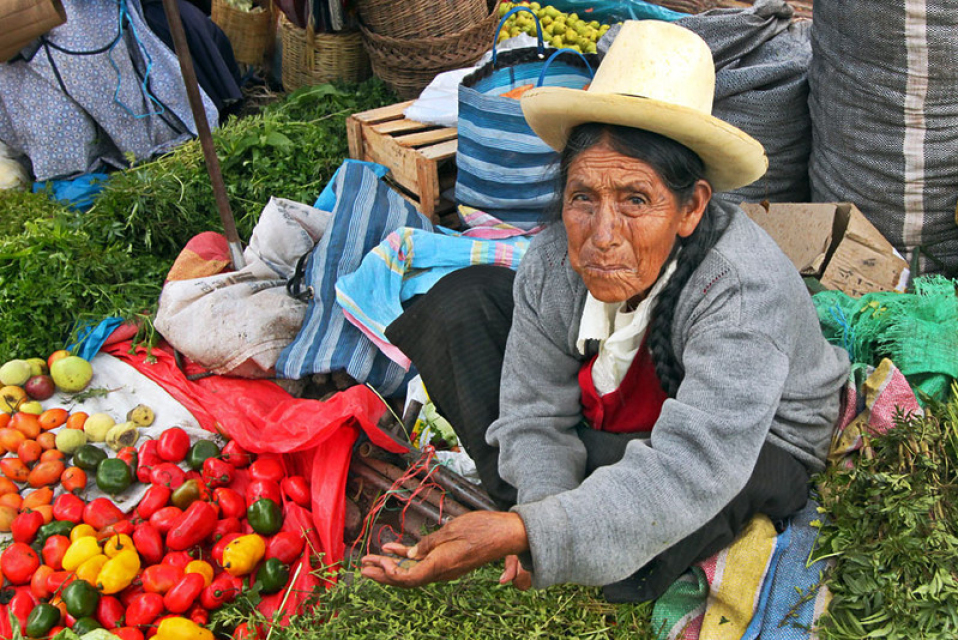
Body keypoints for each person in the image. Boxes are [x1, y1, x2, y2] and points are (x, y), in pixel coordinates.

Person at [361, 20, 849, 602]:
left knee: (657, 507)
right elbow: (533, 412)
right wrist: (539, 517)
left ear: (691, 208)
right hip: (625, 411)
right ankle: (557, 527)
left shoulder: (739, 288)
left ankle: (571, 535)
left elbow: (695, 463)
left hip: (751, 445)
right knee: (461, 306)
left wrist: (530, 532)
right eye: (583, 198)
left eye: (635, 200)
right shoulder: (554, 262)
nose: (603, 235)